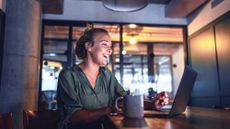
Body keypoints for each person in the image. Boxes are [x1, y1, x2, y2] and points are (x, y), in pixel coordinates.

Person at [57, 28, 169, 129]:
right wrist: (108, 109)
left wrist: (152, 104)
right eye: (104, 44)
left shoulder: (107, 74)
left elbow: (125, 100)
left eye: (110, 47)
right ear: (89, 46)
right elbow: (73, 117)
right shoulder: (68, 76)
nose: (110, 50)